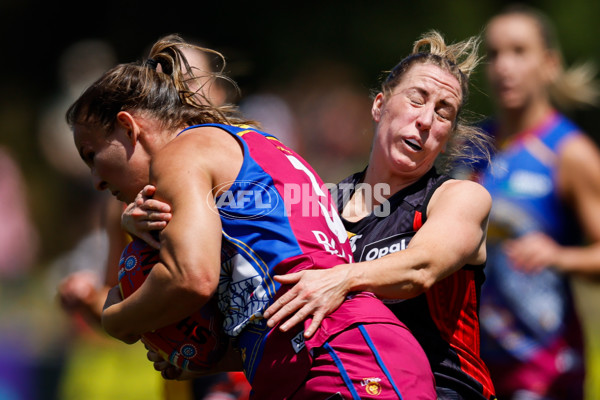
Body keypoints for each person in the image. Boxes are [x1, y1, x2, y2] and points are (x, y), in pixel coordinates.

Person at [66, 35, 436, 399]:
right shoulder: (251, 143)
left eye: (92, 154)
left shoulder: (182, 152)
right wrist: (212, 356)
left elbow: (192, 278)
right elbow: (273, 291)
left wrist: (115, 319)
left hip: (343, 360)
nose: (96, 180)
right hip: (336, 357)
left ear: (129, 127)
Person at [263, 30, 498, 400]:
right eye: (417, 99)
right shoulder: (323, 204)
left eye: (443, 112)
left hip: (443, 389)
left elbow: (422, 268)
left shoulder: (460, 198)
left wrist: (341, 278)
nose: (425, 120)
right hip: (348, 384)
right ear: (379, 106)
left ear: (448, 135)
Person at [58, 35, 248, 400]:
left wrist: (117, 322)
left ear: (220, 94)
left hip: (261, 372)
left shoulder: (251, 171)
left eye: (188, 84)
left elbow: (194, 280)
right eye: (166, 83)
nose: (178, 94)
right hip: (188, 379)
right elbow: (122, 299)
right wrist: (89, 299)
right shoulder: (124, 202)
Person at [466, 4, 600, 399]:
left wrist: (558, 256)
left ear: (549, 63)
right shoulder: (469, 150)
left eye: (519, 52)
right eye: (494, 53)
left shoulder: (569, 152)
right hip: (472, 362)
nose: (504, 66)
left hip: (543, 368)